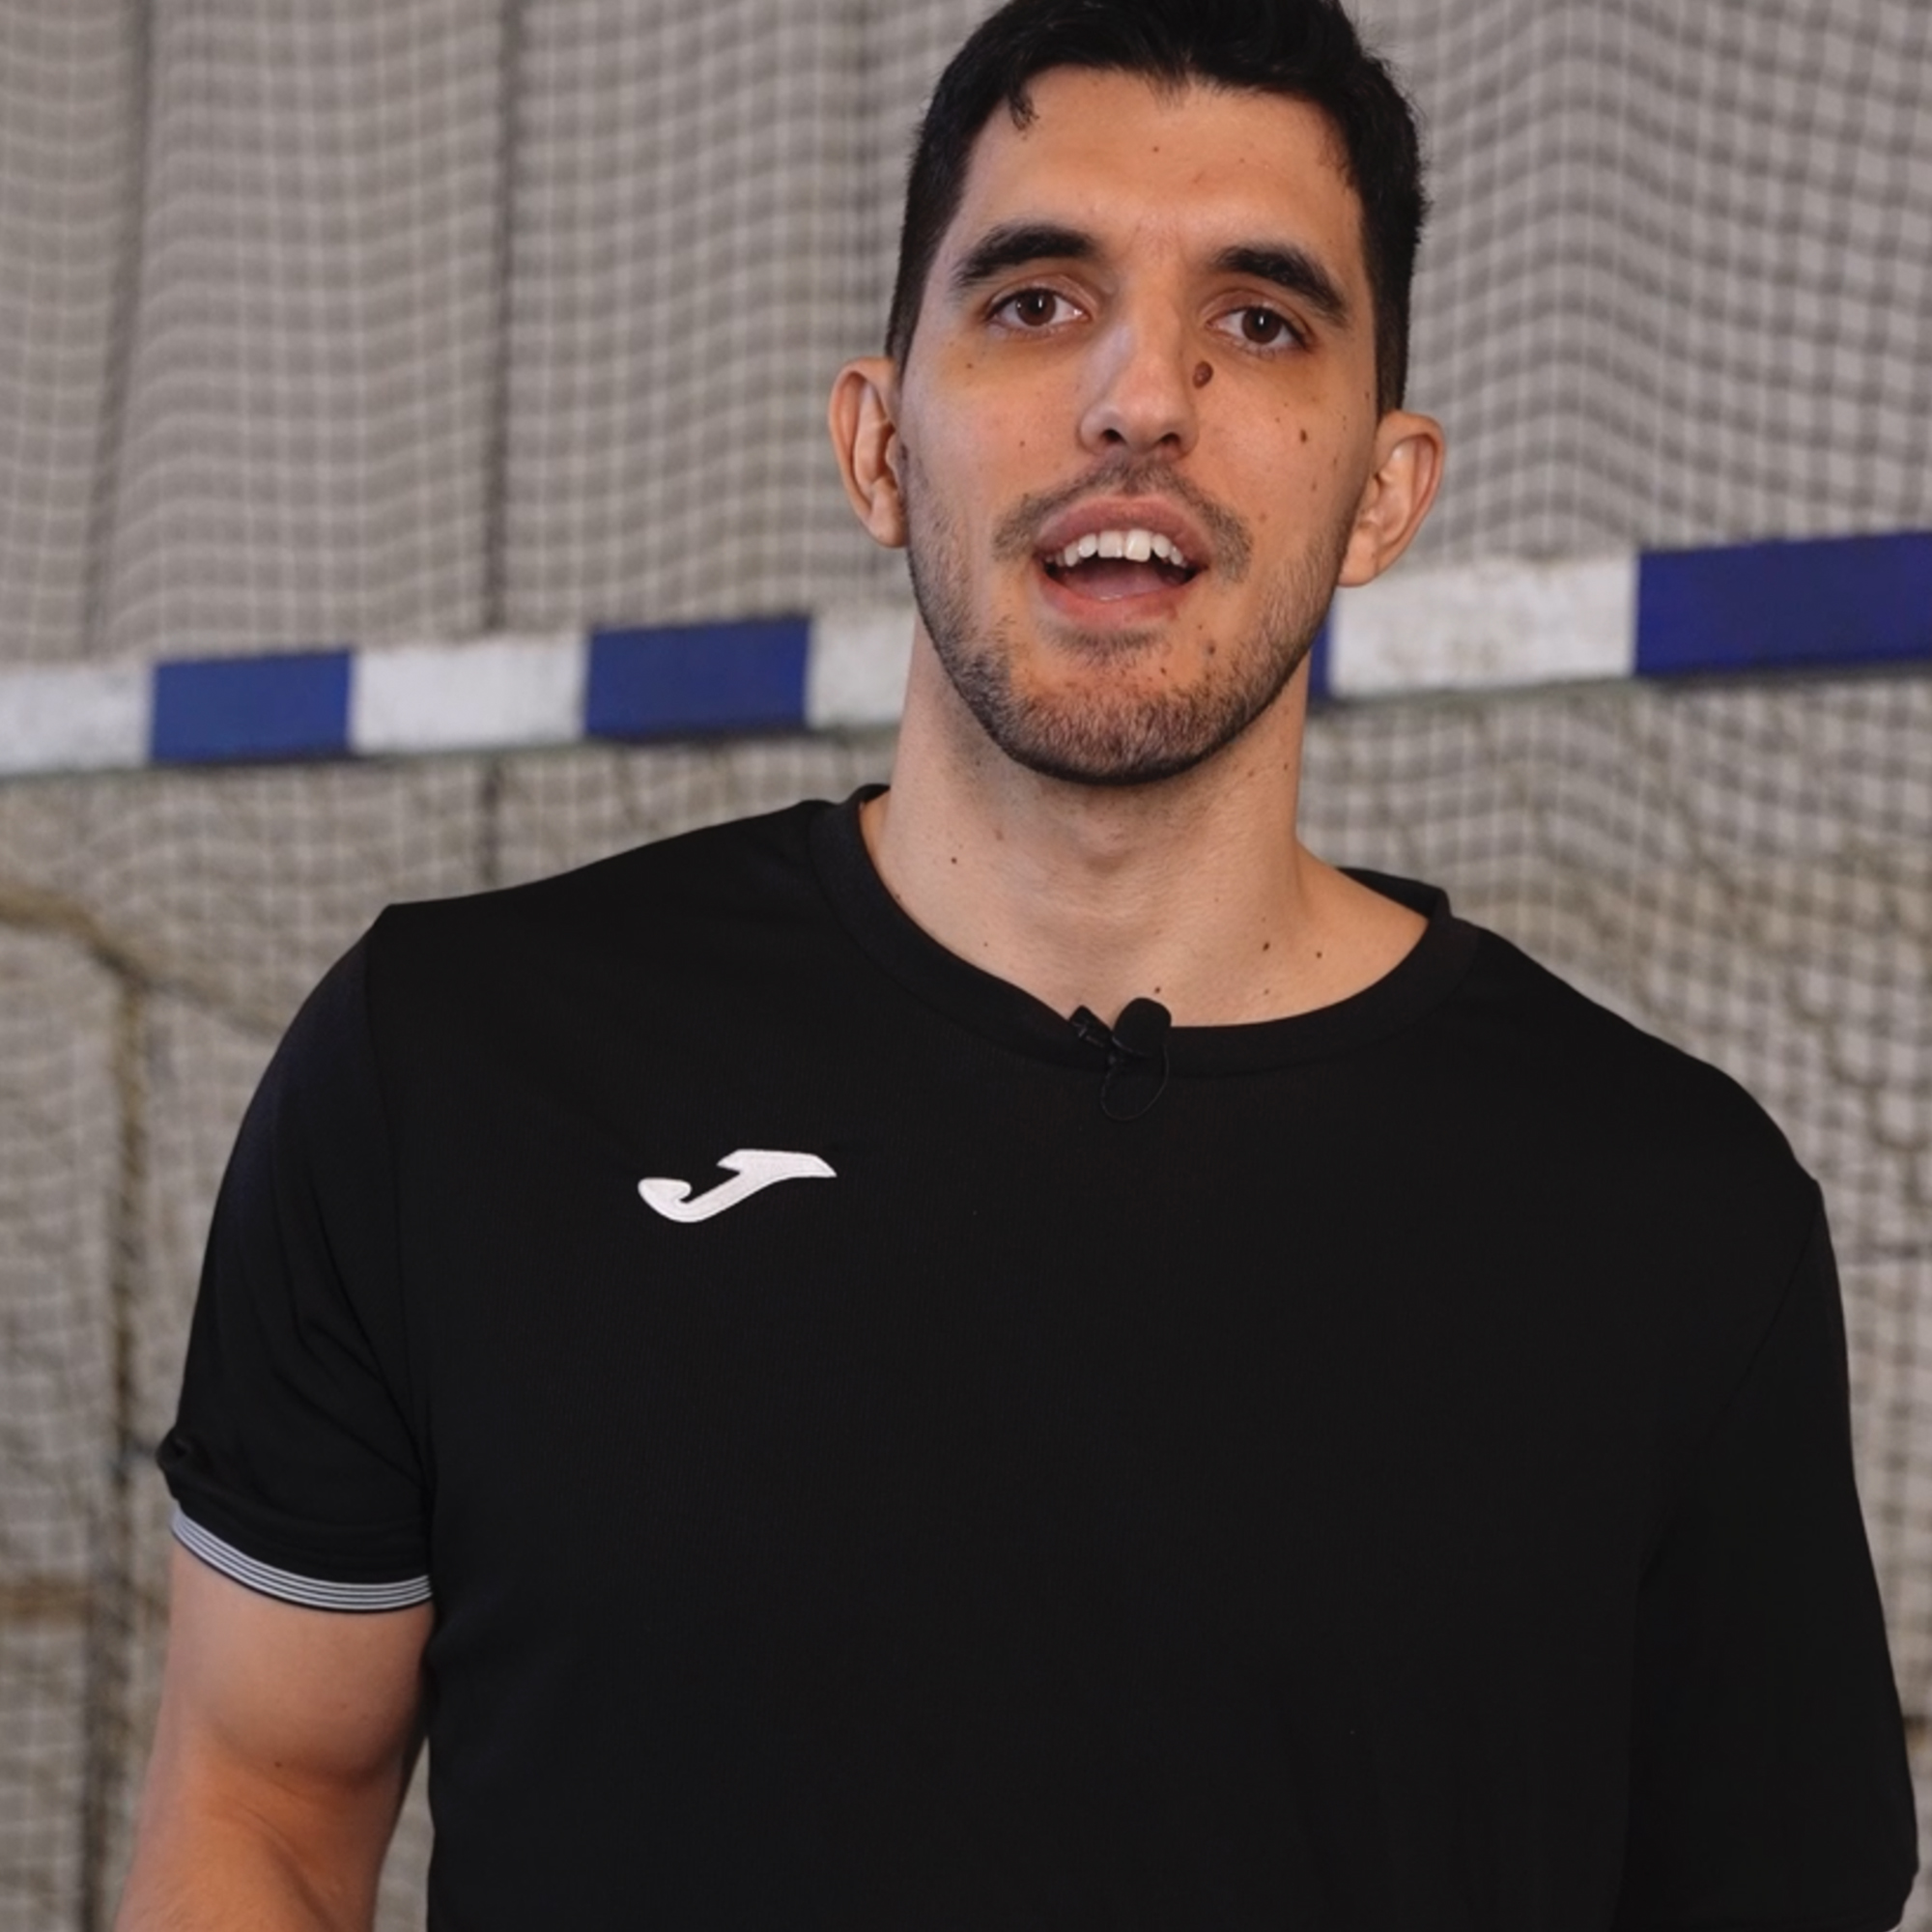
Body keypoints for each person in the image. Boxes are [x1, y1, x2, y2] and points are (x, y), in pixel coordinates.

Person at [120, 0, 1918, 1925]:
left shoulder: (1672, 1210)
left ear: (1385, 492)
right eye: (1040, 301)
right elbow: (261, 1807)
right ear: (879, 445)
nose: (1142, 397)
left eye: (1259, 321)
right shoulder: (452, 1065)